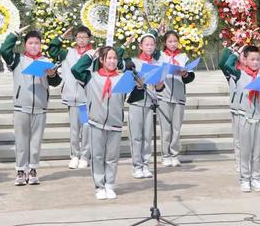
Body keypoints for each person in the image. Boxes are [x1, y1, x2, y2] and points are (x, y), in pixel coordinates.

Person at [0, 27, 62, 186]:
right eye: (31, 43)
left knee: (36, 141)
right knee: (21, 140)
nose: (34, 46)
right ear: (25, 45)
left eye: (37, 43)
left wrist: (52, 74)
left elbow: (56, 82)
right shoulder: (17, 59)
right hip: (22, 107)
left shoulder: (46, 61)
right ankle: (21, 170)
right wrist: (15, 33)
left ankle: (33, 169)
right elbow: (4, 49)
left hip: (40, 107)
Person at [71, 46, 125, 200]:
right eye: (109, 58)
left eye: (115, 58)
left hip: (115, 124)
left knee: (112, 157)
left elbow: (134, 92)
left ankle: (110, 185)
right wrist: (90, 55)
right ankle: (99, 186)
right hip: (96, 123)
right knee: (98, 156)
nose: (112, 61)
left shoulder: (122, 78)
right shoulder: (91, 77)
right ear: (102, 60)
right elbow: (76, 69)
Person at [221, 45, 260, 192]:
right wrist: (237, 52)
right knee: (245, 151)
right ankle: (245, 179)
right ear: (245, 60)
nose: (256, 62)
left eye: (258, 59)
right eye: (252, 59)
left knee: (257, 152)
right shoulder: (238, 73)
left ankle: (256, 178)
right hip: (244, 116)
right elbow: (225, 64)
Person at [49, 25, 94, 169]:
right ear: (74, 39)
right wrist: (61, 37)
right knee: (74, 129)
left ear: (89, 38)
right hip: (72, 98)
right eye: (79, 37)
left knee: (86, 127)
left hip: (85, 98)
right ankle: (74, 155)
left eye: (84, 37)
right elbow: (52, 50)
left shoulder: (93, 54)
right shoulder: (68, 53)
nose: (81, 40)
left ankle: (85, 156)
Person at [124, 31, 164, 179]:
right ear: (140, 46)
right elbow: (126, 84)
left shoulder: (157, 64)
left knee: (148, 136)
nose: (149, 47)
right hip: (136, 103)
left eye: (152, 44)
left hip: (151, 103)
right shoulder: (134, 63)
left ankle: (145, 165)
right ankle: (137, 166)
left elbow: (159, 87)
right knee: (136, 136)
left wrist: (160, 84)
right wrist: (137, 85)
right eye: (146, 44)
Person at [158, 30, 195, 167]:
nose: (173, 44)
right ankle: (165, 155)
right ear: (165, 43)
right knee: (165, 128)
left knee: (176, 128)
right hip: (164, 96)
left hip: (179, 97)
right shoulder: (160, 57)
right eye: (170, 41)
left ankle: (174, 155)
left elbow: (190, 77)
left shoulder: (183, 57)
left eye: (175, 41)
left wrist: (185, 74)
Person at [218, 45, 245, 173]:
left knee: (248, 141)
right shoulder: (233, 72)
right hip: (237, 110)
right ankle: (240, 162)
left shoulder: (253, 73)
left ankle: (248, 163)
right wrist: (231, 49)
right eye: (242, 55)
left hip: (250, 112)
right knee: (238, 140)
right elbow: (223, 63)